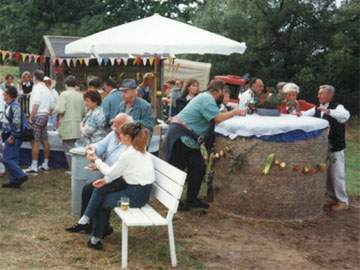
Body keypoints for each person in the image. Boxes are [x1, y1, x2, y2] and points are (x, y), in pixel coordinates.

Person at [164, 80, 246, 210]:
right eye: (224, 92)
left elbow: (216, 117)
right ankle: (173, 202)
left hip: (188, 137)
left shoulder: (206, 98)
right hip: (181, 136)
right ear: (218, 90)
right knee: (177, 171)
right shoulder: (207, 98)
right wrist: (235, 112)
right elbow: (217, 118)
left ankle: (191, 200)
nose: (224, 95)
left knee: (198, 168)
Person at [72, 122, 154, 250]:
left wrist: (96, 160)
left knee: (102, 202)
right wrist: (105, 180)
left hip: (136, 197)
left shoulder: (129, 154)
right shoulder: (137, 149)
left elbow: (110, 172)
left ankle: (94, 238)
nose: (119, 135)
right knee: (100, 189)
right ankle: (87, 219)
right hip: (133, 187)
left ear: (127, 137)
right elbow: (117, 173)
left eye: (122, 134)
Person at [65, 113, 133, 235]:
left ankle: (101, 229)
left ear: (125, 128)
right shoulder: (114, 135)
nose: (113, 128)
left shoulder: (130, 144)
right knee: (87, 189)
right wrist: (92, 148)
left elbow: (118, 169)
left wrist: (98, 164)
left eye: (116, 126)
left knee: (95, 191)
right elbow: (101, 145)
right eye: (113, 125)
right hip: (110, 176)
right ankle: (87, 225)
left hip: (121, 180)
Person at [302, 85, 350, 211]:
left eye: (321, 93)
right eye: (318, 93)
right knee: (325, 174)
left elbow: (345, 115)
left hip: (335, 147)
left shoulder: (338, 107)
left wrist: (329, 112)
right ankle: (332, 198)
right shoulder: (317, 108)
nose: (318, 96)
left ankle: (343, 201)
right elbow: (304, 115)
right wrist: (296, 113)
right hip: (322, 147)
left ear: (329, 95)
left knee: (337, 174)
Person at [24, 70, 53, 173]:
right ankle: (45, 164)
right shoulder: (47, 89)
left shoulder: (36, 87)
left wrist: (31, 117)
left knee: (35, 141)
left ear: (35, 78)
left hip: (37, 115)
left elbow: (36, 104)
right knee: (44, 139)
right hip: (45, 116)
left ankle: (34, 165)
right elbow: (51, 107)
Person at [55, 75, 86, 170]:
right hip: (78, 124)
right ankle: (75, 168)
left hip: (67, 124)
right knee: (72, 147)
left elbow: (60, 109)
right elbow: (83, 112)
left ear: (66, 84)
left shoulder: (64, 94)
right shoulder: (80, 95)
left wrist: (56, 108)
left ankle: (73, 169)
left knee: (69, 149)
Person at [1, 86, 28, 188]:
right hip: (12, 135)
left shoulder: (14, 106)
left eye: (5, 93)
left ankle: (21, 175)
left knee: (6, 159)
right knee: (14, 158)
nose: (3, 94)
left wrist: (13, 136)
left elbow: (17, 122)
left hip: (13, 136)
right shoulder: (10, 105)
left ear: (8, 95)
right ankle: (14, 181)